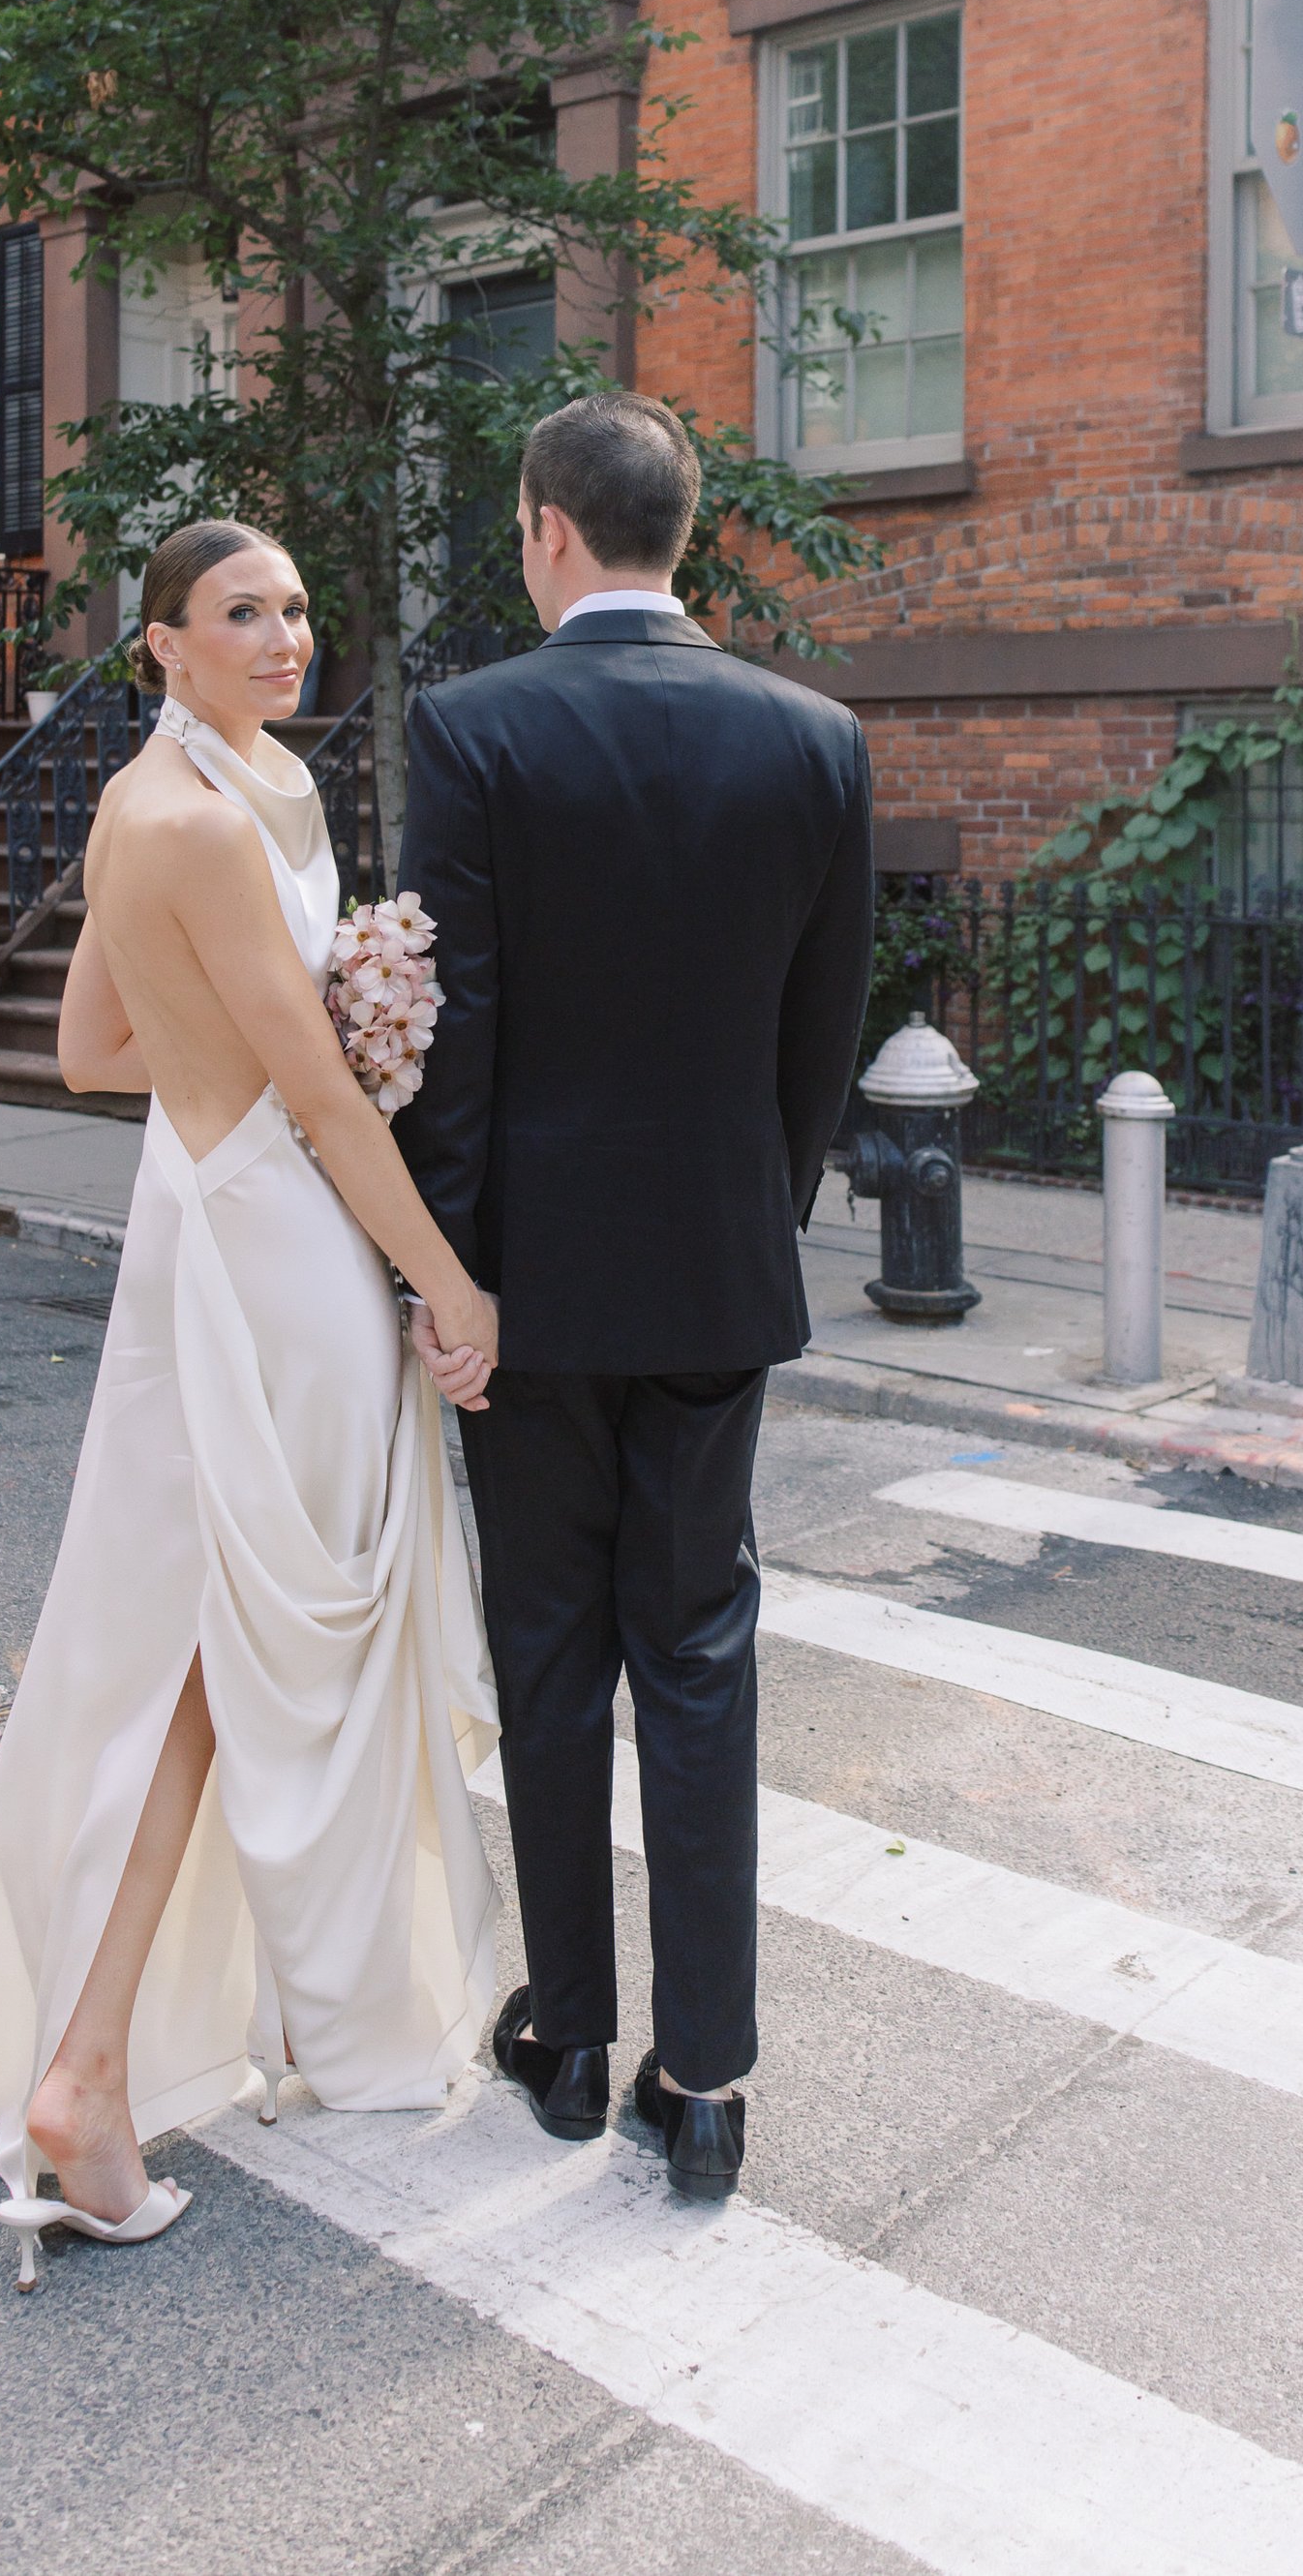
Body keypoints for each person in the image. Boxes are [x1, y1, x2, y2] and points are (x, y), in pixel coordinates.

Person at [0, 520, 503, 2287]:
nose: (285, 639)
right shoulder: (199, 819)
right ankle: (96, 2068)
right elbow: (328, 1109)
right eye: (241, 615)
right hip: (279, 1247)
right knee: (232, 1661)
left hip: (202, 1212)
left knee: (214, 1649)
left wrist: (251, 1036)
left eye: (301, 610)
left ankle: (150, 2047)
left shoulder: (207, 794)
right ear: (160, 644)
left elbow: (99, 1048)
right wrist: (449, 1282)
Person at [397, 393, 874, 2201]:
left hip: (528, 1286)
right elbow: (814, 1045)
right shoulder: (813, 739)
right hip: (712, 1277)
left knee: (549, 1648)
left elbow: (456, 1040)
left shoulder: (478, 729)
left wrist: (448, 1279)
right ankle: (710, 2079)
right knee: (699, 1650)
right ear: (686, 530)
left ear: (544, 531)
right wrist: (756, 1216)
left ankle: (573, 2035)